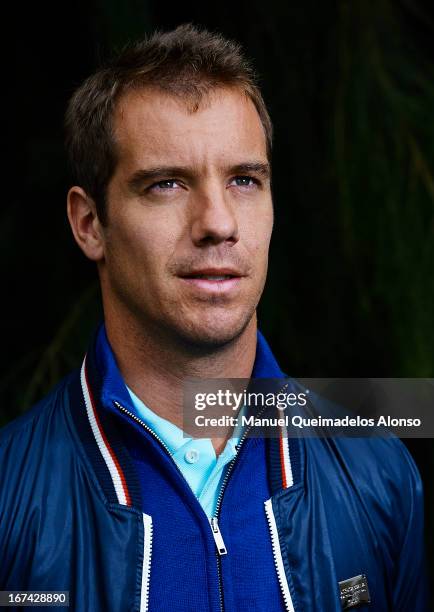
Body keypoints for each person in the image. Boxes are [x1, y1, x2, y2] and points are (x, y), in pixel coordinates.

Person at [0, 23, 428, 612]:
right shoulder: (10, 500)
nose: (218, 222)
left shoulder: (379, 473)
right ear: (90, 224)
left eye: (245, 180)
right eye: (167, 184)